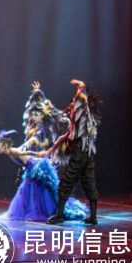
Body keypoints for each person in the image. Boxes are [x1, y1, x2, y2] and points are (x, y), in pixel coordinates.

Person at [42, 79, 101, 225]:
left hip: (80, 153)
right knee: (89, 182)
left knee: (66, 183)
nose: (73, 103)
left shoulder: (85, 114)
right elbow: (63, 115)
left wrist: (81, 86)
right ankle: (93, 217)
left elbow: (82, 101)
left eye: (75, 101)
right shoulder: (77, 120)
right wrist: (51, 108)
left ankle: (59, 215)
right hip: (87, 155)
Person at [0, 129, 87, 222]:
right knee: (31, 190)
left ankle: (50, 210)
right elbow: (21, 149)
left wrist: (37, 154)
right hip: (30, 168)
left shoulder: (12, 151)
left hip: (35, 166)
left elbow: (23, 153)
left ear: (5, 145)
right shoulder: (11, 152)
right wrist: (29, 142)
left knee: (40, 188)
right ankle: (43, 209)